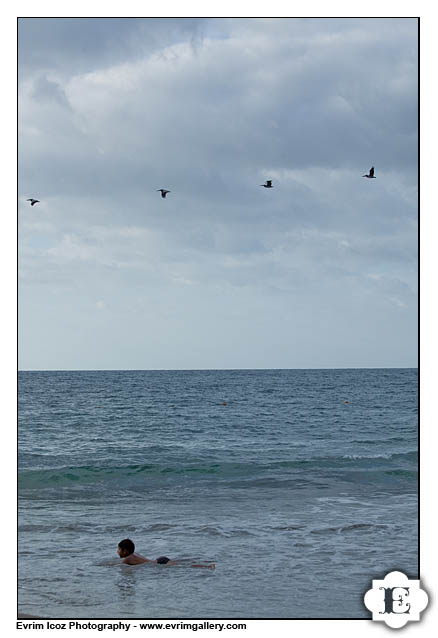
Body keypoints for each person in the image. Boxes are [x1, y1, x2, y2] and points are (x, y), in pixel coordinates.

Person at [117, 539, 215, 569]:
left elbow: (118, 565)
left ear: (125, 551)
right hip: (160, 560)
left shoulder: (128, 559)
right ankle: (205, 565)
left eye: (119, 549)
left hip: (160, 563)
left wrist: (103, 565)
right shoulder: (134, 554)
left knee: (184, 566)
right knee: (182, 565)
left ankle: (207, 567)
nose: (117, 552)